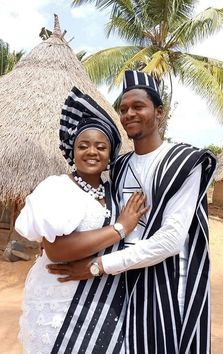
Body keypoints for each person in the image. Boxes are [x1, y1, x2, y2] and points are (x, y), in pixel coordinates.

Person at [48, 70, 217, 354]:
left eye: (138, 106)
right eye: (123, 109)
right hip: (122, 282)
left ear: (159, 112)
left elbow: (170, 240)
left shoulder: (185, 162)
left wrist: (97, 267)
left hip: (168, 281)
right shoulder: (120, 165)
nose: (129, 114)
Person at [15, 86, 148, 354]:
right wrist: (120, 228)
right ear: (72, 150)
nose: (91, 152)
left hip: (100, 298)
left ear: (110, 154)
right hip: (57, 298)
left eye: (101, 146)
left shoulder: (113, 192)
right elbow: (56, 250)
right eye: (83, 145)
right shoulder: (57, 188)